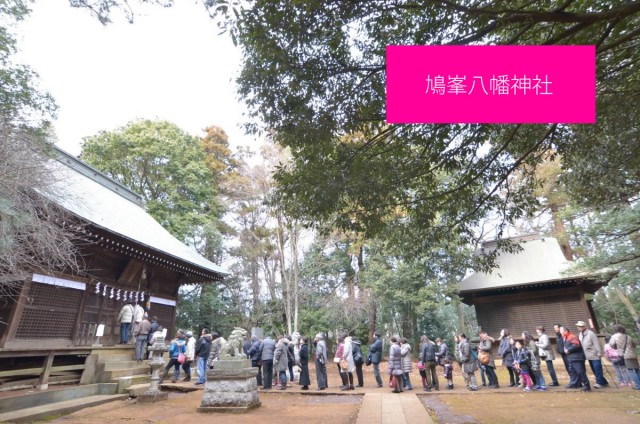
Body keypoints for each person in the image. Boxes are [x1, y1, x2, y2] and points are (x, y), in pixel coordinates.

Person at [576, 320, 608, 388]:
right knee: (594, 368)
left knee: (597, 368)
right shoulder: (580, 334)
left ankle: (599, 383)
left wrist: (599, 352)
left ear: (584, 326)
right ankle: (604, 382)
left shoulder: (591, 333)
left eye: (580, 326)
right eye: (578, 326)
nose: (579, 327)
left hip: (594, 353)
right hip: (587, 354)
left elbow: (596, 343)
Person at [609, 324, 640, 390]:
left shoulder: (614, 336)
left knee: (630, 370)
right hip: (633, 355)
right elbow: (634, 344)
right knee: (637, 369)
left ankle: (638, 385)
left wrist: (617, 348)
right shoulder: (628, 337)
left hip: (625, 355)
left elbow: (611, 344)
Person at [561, 325, 590, 391]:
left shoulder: (572, 336)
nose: (561, 333)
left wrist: (568, 350)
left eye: (562, 331)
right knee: (573, 371)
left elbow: (576, 345)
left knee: (580, 372)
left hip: (577, 358)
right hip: (571, 358)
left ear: (566, 331)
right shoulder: (566, 337)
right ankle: (575, 383)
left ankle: (586, 385)